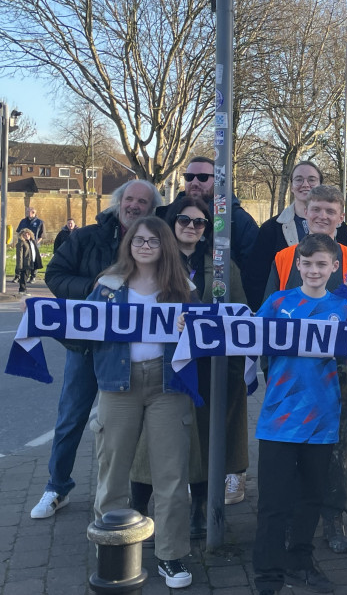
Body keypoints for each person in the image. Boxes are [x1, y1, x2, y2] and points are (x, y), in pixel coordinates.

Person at [31, 180, 160, 520]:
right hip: (88, 346)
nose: (134, 206)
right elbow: (55, 274)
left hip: (134, 350)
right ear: (118, 202)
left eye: (142, 202)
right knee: (72, 415)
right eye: (129, 199)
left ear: (151, 209)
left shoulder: (157, 240)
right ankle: (56, 487)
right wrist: (94, 289)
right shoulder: (87, 237)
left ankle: (138, 494)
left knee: (136, 425)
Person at [250, 233, 347, 595]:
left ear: (335, 267)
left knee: (311, 498)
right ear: (297, 265)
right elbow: (245, 337)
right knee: (273, 503)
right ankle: (268, 575)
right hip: (279, 420)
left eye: (322, 264)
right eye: (307, 263)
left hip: (322, 420)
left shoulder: (341, 308)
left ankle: (300, 561)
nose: (314, 269)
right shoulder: (277, 301)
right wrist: (193, 328)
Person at [129, 197, 250, 538]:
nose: (191, 227)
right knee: (150, 441)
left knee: (204, 438)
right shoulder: (152, 261)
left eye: (200, 223)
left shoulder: (222, 265)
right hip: (161, 364)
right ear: (171, 222)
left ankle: (199, 510)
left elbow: (239, 312)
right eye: (184, 220)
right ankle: (137, 508)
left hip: (207, 367)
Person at [89, 216, 197, 589]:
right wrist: (41, 318)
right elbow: (80, 329)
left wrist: (191, 328)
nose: (145, 246)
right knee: (113, 466)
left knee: (170, 473)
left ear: (164, 245)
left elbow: (204, 338)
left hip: (168, 384)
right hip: (119, 384)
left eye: (153, 240)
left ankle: (171, 554)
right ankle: (113, 547)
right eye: (139, 240)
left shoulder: (183, 287)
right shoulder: (107, 285)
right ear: (129, 244)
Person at [261, 184, 347, 554]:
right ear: (305, 212)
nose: (321, 216)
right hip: (289, 379)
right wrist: (267, 369)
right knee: (289, 449)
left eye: (329, 212)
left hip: (338, 377)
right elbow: (265, 321)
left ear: (340, 217)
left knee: (334, 449)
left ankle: (333, 517)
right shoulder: (286, 257)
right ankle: (289, 520)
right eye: (315, 209)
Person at [245, 160, 331, 309]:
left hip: (328, 312)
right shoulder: (270, 229)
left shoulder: (341, 229)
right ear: (291, 186)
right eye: (299, 179)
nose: (305, 184)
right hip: (284, 314)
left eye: (311, 179)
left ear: (321, 185)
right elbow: (256, 278)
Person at [159, 156, 259, 271]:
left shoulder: (239, 220)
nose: (194, 183)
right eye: (189, 177)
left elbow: (253, 271)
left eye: (203, 177)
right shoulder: (165, 216)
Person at [14, 228, 40, 293]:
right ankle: (22, 290)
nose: (27, 235)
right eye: (25, 235)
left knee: (27, 276)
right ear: (22, 235)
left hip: (31, 261)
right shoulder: (21, 243)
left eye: (28, 234)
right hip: (25, 263)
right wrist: (19, 266)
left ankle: (24, 289)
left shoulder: (31, 242)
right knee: (24, 277)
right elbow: (19, 255)